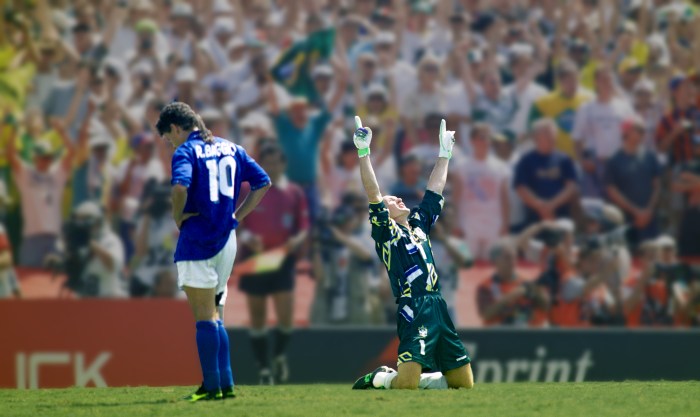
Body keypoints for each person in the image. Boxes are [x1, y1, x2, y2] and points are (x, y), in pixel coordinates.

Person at [156, 102, 271, 401]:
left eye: (169, 136)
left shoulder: (185, 152)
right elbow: (263, 182)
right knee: (216, 313)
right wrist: (237, 216)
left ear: (178, 127)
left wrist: (178, 217)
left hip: (199, 240)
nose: (170, 143)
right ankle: (226, 382)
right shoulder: (231, 147)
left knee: (205, 317)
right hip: (226, 239)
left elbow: (180, 188)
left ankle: (211, 385)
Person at [351, 116, 473, 390]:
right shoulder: (386, 232)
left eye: (396, 197)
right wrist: (363, 153)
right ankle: (381, 377)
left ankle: (420, 379)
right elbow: (373, 193)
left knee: (463, 384)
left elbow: (434, 191)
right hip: (413, 305)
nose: (397, 198)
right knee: (405, 384)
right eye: (391, 200)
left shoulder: (419, 224)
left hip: (438, 304)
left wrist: (445, 154)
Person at [236, 145, 308, 385]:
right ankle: (264, 368)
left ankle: (278, 356)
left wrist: (293, 243)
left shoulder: (294, 192)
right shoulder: (247, 189)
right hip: (255, 260)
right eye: (268, 162)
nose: (272, 167)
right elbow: (237, 222)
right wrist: (248, 240)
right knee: (257, 317)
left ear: (283, 164)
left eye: (276, 162)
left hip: (281, 259)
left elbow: (303, 228)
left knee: (285, 317)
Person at [605, 117, 662, 249]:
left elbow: (657, 186)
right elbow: (611, 190)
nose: (643, 133)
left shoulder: (650, 157)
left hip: (649, 220)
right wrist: (636, 212)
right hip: (626, 222)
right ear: (627, 131)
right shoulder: (614, 160)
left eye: (643, 130)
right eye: (639, 130)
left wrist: (648, 210)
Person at [513, 118, 578, 228]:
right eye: (547, 134)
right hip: (534, 219)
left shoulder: (564, 159)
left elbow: (571, 186)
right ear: (536, 138)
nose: (552, 137)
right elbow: (521, 188)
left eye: (553, 134)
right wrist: (541, 207)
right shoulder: (526, 160)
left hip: (561, 217)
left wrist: (552, 205)